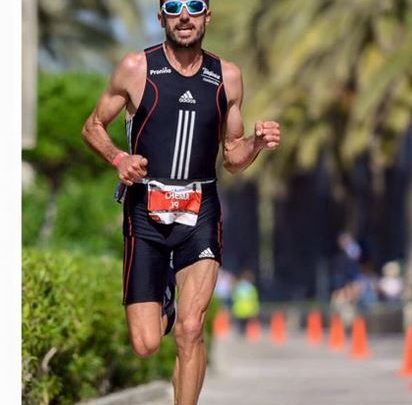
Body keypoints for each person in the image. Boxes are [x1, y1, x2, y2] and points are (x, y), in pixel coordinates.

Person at [81, 1, 281, 403]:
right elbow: (93, 126)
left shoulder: (227, 77)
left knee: (192, 329)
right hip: (145, 212)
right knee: (146, 343)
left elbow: (233, 157)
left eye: (195, 6)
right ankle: (166, 303)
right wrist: (119, 158)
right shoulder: (137, 69)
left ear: (208, 16)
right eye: (173, 6)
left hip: (200, 210)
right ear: (161, 18)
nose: (184, 15)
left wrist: (256, 143)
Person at [231, 270, 260, 336]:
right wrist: (256, 309)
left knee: (240, 327)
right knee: (245, 327)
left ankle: (241, 334)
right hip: (248, 310)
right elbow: (254, 300)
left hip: (238, 310)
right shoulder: (252, 288)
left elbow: (234, 296)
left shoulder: (238, 287)